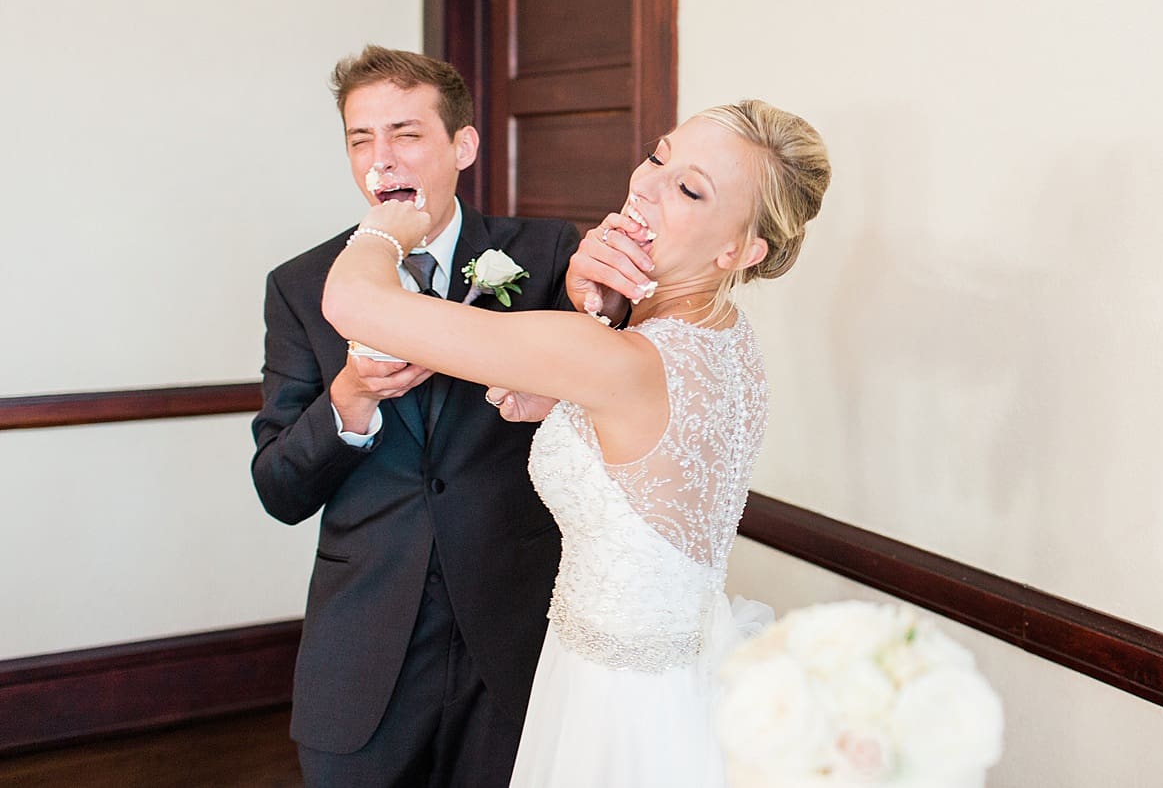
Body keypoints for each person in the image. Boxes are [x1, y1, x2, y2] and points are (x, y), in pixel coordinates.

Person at [321, 99, 832, 786]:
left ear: (738, 250)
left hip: (616, 701)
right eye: (658, 156)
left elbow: (354, 303)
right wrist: (574, 384)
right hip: (677, 669)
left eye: (688, 188)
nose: (645, 185)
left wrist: (381, 232)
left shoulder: (618, 361)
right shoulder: (724, 339)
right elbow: (652, 456)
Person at [251, 45, 645, 788]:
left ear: (461, 144)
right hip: (363, 649)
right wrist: (351, 399)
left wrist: (609, 306)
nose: (381, 160)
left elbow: (608, 396)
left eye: (405, 133)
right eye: (360, 138)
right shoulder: (304, 286)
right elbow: (278, 488)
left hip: (517, 638)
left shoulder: (548, 252)